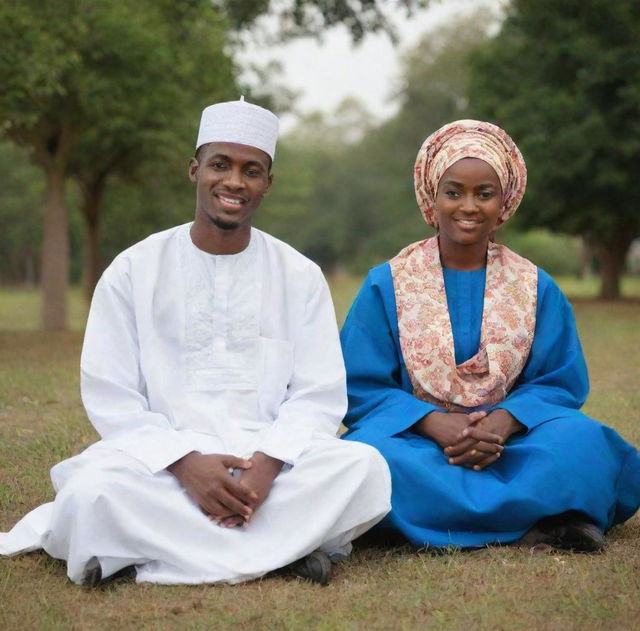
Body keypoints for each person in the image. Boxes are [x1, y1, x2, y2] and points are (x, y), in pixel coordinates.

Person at [0, 98, 391, 586]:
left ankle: (159, 556)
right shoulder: (133, 271)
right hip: (161, 466)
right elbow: (113, 397)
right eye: (220, 165)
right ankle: (283, 550)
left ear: (268, 184)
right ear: (194, 170)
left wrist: (267, 468)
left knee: (364, 467)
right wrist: (186, 465)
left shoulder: (299, 275)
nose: (234, 182)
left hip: (268, 468)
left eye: (252, 171)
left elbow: (317, 395)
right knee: (90, 494)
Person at [340, 119, 640, 552]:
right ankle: (542, 519)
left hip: (514, 442)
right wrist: (433, 423)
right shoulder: (386, 283)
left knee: (583, 441)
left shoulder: (536, 286)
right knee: (365, 454)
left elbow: (558, 381)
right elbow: (361, 384)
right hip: (417, 441)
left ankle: (427, 520)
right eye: (454, 191)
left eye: (485, 194)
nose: (469, 206)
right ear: (432, 198)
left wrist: (502, 422)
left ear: (504, 202)